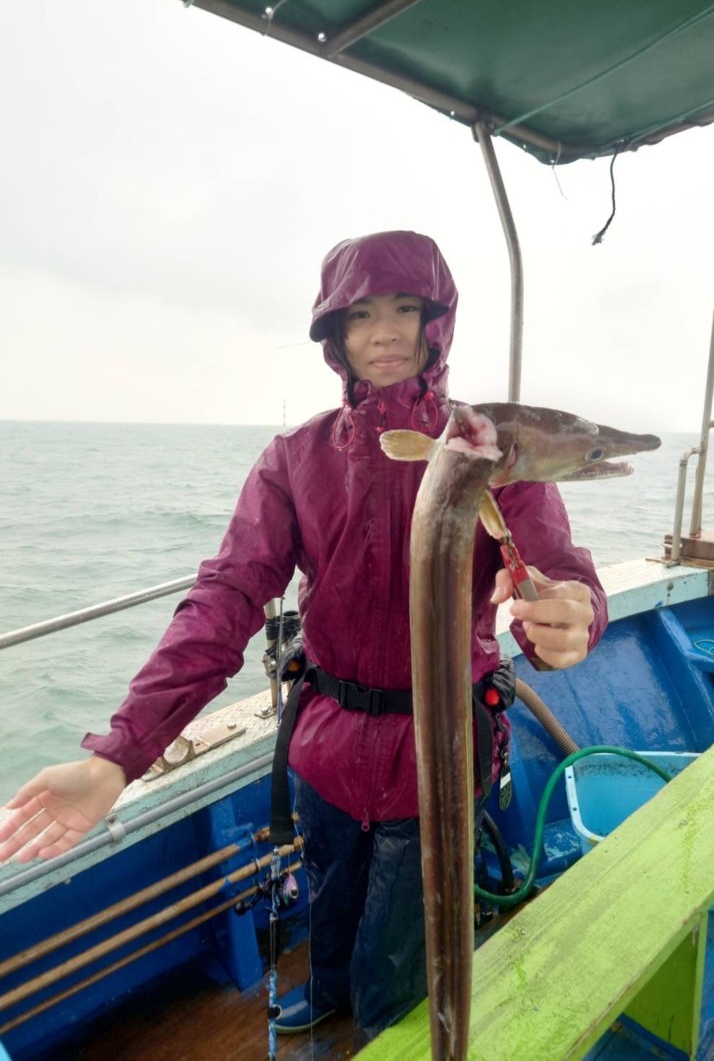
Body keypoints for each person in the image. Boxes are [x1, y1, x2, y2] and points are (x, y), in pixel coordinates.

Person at [0, 230, 607, 1040]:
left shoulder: (490, 451)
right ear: (335, 337)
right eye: (359, 316)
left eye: (405, 309)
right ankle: (326, 994)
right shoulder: (294, 458)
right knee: (328, 895)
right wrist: (119, 756)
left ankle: (379, 1029)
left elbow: (552, 578)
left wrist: (573, 617)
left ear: (438, 324)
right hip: (323, 747)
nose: (384, 332)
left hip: (436, 754)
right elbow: (226, 598)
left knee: (399, 951)